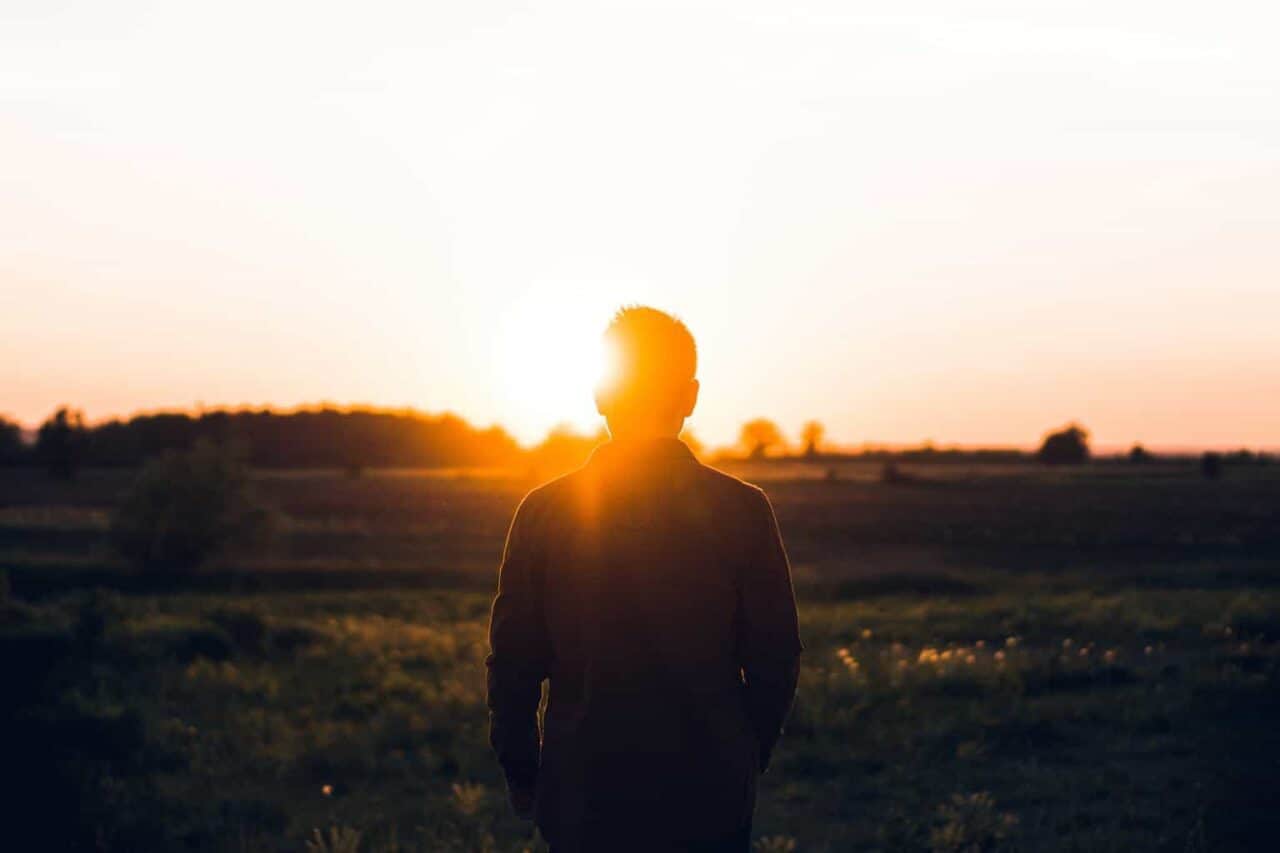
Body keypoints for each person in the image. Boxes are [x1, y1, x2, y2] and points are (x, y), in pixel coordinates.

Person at [486, 306, 803, 852]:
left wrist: (523, 773)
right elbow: (776, 656)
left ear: (600, 395)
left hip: (583, 795)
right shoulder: (743, 511)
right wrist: (746, 757)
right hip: (709, 794)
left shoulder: (542, 513)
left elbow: (513, 665)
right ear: (690, 397)